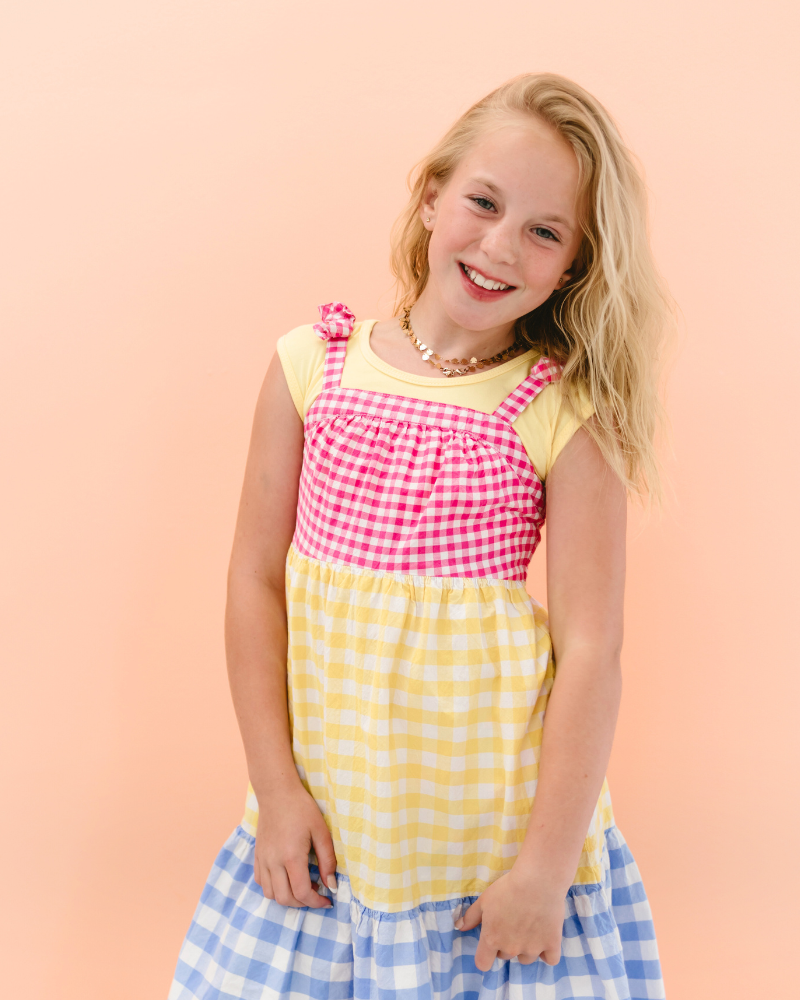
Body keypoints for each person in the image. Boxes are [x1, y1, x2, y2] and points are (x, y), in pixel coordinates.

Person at [169, 72, 671, 1000]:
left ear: (574, 266)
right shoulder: (308, 367)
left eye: (544, 231)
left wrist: (546, 870)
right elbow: (254, 581)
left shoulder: (561, 410)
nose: (499, 246)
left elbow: (593, 650)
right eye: (483, 202)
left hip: (487, 853)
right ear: (433, 193)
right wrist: (276, 794)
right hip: (334, 834)